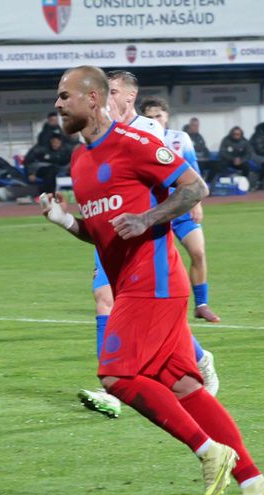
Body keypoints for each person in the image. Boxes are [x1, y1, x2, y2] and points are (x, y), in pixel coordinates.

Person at [40, 65, 264, 495]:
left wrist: (149, 218)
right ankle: (256, 486)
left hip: (154, 281)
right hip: (132, 283)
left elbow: (196, 188)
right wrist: (65, 220)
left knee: (115, 376)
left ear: (93, 99)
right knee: (185, 387)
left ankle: (209, 453)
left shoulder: (134, 144)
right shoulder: (79, 161)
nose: (58, 103)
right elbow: (101, 234)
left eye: (64, 95)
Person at [76, 71, 218, 421]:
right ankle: (112, 388)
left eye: (112, 91)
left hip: (144, 234)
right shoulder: (96, 135)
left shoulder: (148, 132)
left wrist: (146, 216)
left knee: (156, 314)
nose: (106, 98)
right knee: (103, 298)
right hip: (110, 230)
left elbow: (177, 180)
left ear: (130, 95)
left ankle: (198, 357)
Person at [140, 96, 221, 323]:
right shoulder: (137, 142)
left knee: (198, 252)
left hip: (182, 209)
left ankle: (201, 304)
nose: (155, 120)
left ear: (166, 116)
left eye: (158, 115)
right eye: (149, 117)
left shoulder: (180, 139)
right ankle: (152, 305)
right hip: (153, 212)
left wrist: (197, 203)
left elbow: (193, 172)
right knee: (155, 263)